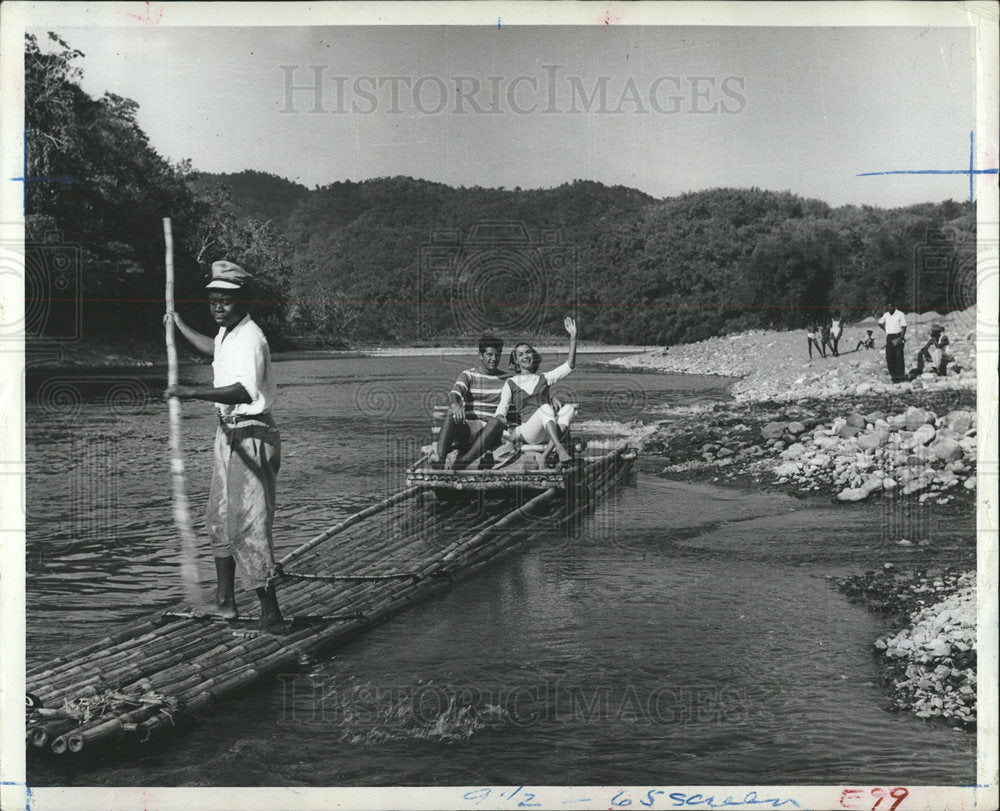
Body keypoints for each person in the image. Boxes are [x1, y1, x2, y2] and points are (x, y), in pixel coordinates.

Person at [164, 261, 284, 633]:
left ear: (243, 301)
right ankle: (226, 601)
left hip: (252, 434)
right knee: (217, 518)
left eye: (226, 301)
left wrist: (190, 391)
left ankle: (271, 613)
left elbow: (245, 391)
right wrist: (179, 325)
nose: (218, 307)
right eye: (213, 300)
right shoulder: (227, 334)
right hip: (227, 432)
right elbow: (213, 351)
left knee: (246, 523)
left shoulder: (251, 338)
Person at [494, 316, 579, 467]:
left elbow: (569, 366)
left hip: (549, 432)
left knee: (569, 409)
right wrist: (500, 417)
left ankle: (545, 455)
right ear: (516, 363)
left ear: (533, 355)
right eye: (520, 355)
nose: (525, 356)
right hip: (530, 432)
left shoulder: (544, 378)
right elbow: (502, 407)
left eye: (528, 352)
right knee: (545, 408)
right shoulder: (511, 382)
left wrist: (573, 337)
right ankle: (559, 448)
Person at [436, 335, 515, 470]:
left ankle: (463, 463)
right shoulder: (469, 375)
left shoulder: (508, 379)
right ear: (480, 355)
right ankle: (440, 461)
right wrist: (455, 405)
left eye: (497, 355)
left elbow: (529, 395)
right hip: (469, 430)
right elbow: (455, 392)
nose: (494, 359)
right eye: (489, 355)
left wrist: (553, 398)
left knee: (496, 421)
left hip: (491, 433)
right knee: (450, 411)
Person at [877, 301, 907, 383]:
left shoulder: (900, 314)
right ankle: (893, 375)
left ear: (894, 306)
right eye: (888, 307)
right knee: (889, 356)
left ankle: (900, 375)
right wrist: (885, 329)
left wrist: (901, 338)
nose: (889, 308)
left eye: (891, 306)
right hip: (889, 337)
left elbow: (904, 326)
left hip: (898, 336)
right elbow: (880, 323)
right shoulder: (886, 315)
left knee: (898, 356)